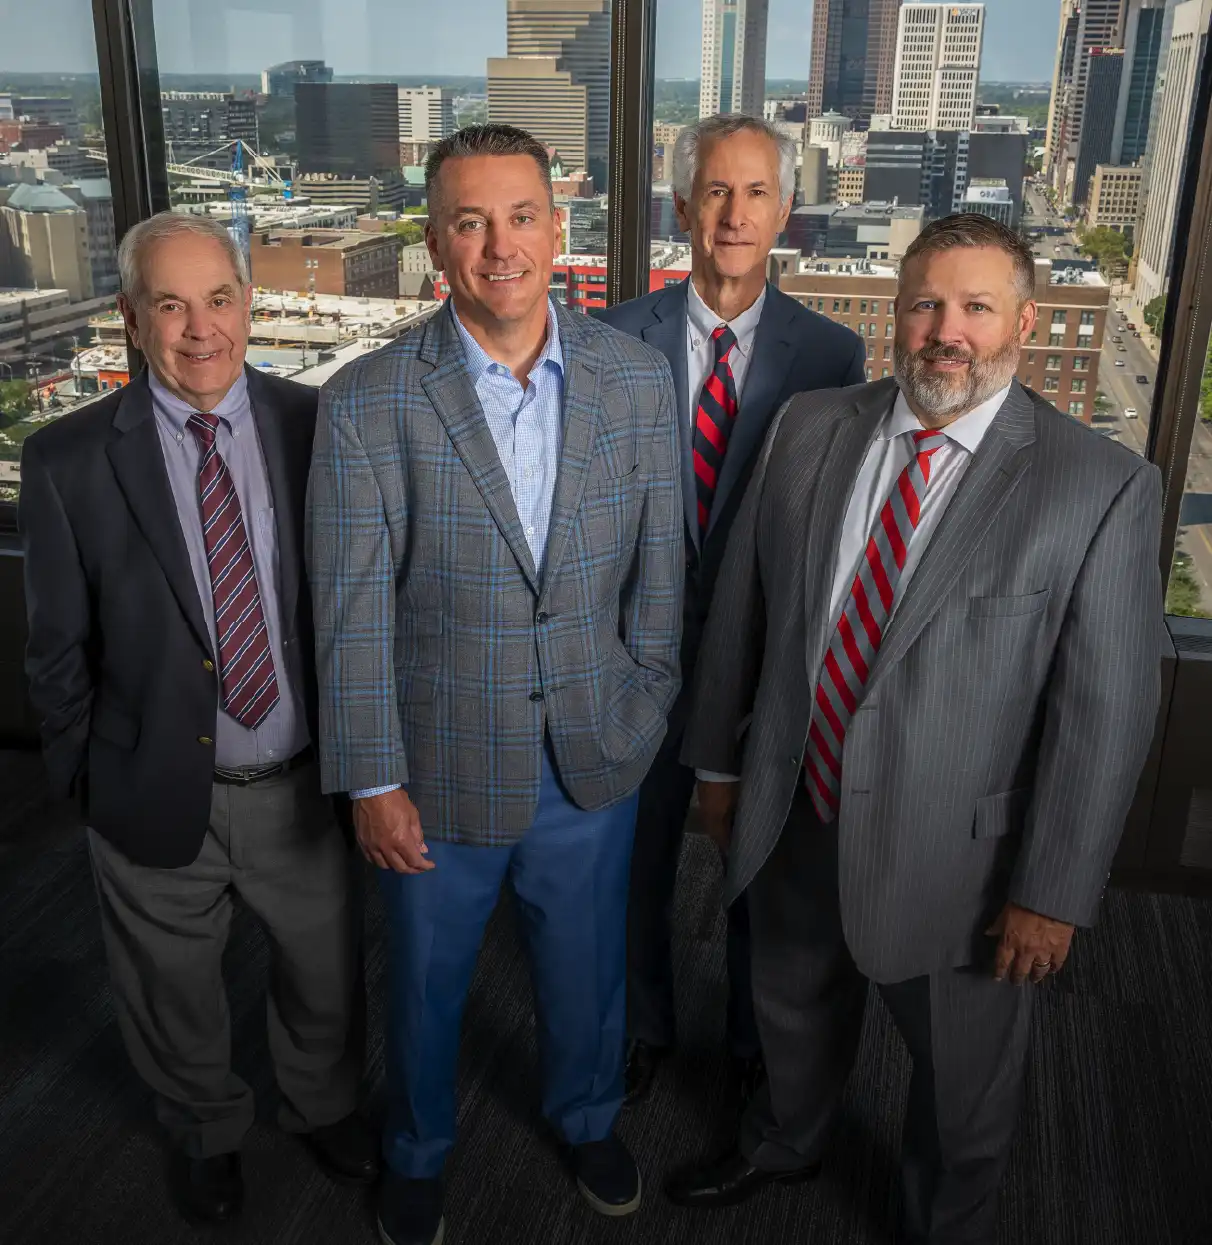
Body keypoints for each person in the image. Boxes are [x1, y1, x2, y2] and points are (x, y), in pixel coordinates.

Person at [666, 213, 1163, 1244]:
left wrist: (1052, 891)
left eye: (977, 307)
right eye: (927, 303)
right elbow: (743, 617)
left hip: (963, 865)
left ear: (1023, 321)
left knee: (963, 1081)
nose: (949, 330)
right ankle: (783, 1141)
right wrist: (719, 767)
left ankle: (945, 1222)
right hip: (796, 807)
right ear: (895, 317)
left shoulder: (1098, 484)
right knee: (789, 1005)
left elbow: (1104, 714)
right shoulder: (810, 428)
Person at [306, 123, 683, 1245]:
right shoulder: (367, 401)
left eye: (520, 216)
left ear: (558, 228)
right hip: (434, 771)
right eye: (469, 221)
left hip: (592, 748)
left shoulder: (635, 374)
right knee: (423, 986)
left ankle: (587, 1117)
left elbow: (663, 573)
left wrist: (644, 700)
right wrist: (372, 780)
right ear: (436, 242)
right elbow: (351, 615)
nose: (499, 245)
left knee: (586, 971)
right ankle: (417, 1151)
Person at [18, 213, 376, 1224]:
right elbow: (55, 651)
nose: (200, 328)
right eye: (169, 305)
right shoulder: (67, 461)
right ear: (133, 320)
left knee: (325, 974)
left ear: (249, 303)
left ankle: (321, 1106)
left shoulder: (318, 426)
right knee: (170, 991)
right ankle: (205, 1128)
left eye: (218, 299)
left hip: (300, 779)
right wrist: (87, 783)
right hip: (152, 785)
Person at [597, 113, 865, 1107]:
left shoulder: (833, 354)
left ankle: (756, 1047)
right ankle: (642, 1024)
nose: (736, 212)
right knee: (636, 869)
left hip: (758, 668)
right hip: (634, 658)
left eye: (757, 193)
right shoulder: (612, 337)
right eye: (717, 190)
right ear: (682, 206)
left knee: (757, 868)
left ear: (786, 214)